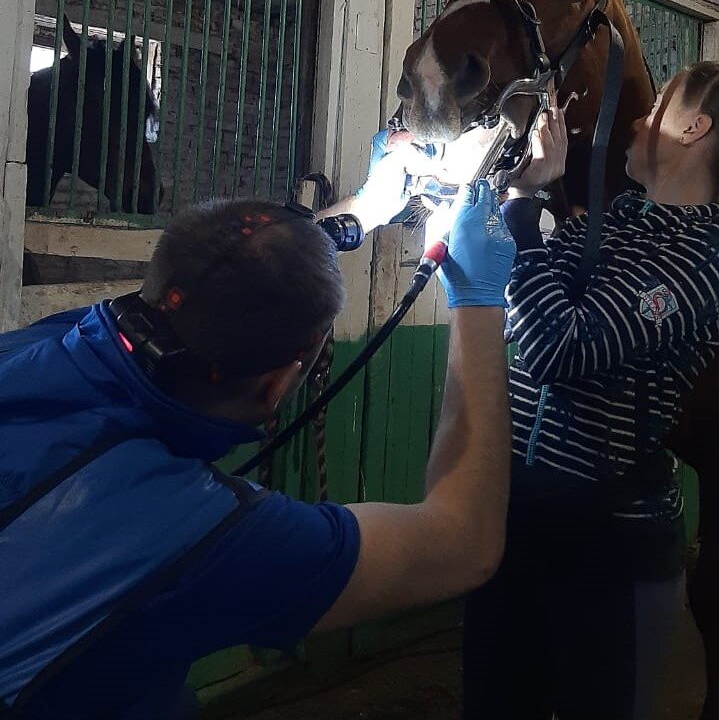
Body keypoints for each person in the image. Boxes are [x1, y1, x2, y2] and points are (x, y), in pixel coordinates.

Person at [0, 184, 515, 719]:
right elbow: (463, 546)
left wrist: (365, 205)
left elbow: (222, 283)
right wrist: (478, 301)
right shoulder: (191, 531)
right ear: (276, 386)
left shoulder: (41, 346)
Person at [343, 61, 719, 719]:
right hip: (514, 524)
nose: (635, 117)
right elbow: (533, 275)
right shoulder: (618, 221)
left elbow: (556, 346)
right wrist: (487, 180)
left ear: (694, 128)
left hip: (609, 549)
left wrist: (521, 211)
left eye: (657, 103)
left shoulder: (699, 263)